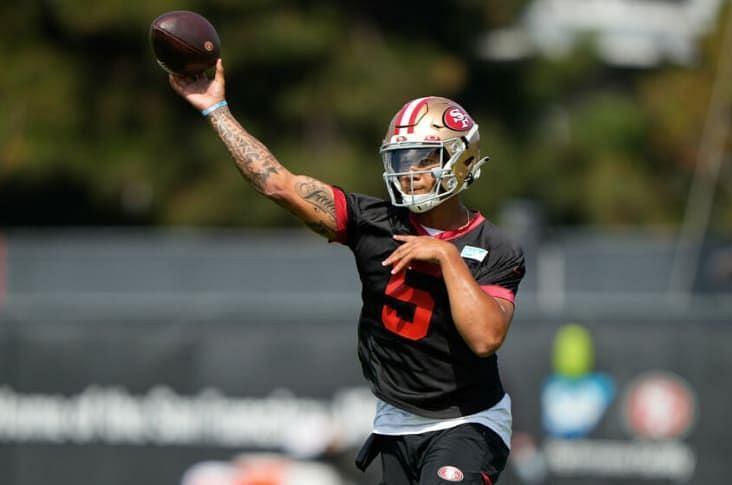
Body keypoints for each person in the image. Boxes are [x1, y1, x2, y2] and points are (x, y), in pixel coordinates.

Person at [168, 59, 526, 485]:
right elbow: (277, 184)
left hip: (468, 420)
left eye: (422, 157)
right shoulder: (372, 221)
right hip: (396, 420)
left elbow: (485, 338)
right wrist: (216, 109)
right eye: (402, 158)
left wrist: (448, 258)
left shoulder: (496, 248)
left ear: (463, 161)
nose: (409, 171)